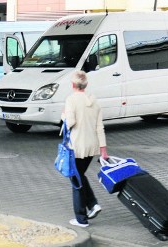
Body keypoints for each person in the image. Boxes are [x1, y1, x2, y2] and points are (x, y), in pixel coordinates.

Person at [62, 70, 109, 228]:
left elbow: (70, 122)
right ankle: (93, 204)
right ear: (85, 84)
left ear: (72, 84)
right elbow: (99, 127)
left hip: (76, 146)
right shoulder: (94, 101)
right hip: (92, 146)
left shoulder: (71, 100)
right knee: (80, 175)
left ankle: (81, 218)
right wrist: (103, 150)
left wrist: (63, 117)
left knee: (76, 180)